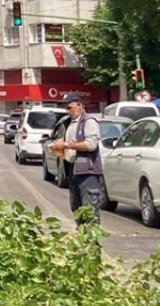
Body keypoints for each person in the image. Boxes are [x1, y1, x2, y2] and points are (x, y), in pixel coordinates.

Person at [47, 93, 102, 225]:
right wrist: (59, 147)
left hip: (87, 172)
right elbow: (69, 143)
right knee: (76, 208)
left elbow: (91, 144)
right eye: (66, 108)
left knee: (89, 209)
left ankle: (92, 243)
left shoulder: (88, 122)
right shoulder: (69, 123)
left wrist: (66, 145)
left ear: (79, 105)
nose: (67, 111)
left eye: (69, 107)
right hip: (73, 170)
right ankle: (82, 240)